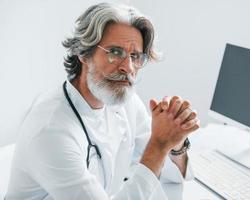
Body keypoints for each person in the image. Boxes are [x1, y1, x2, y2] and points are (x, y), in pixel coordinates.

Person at [6, 3, 200, 199]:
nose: (128, 67)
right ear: (83, 53)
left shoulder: (124, 100)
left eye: (135, 56)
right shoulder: (51, 130)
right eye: (115, 52)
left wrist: (176, 143)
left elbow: (171, 176)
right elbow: (154, 157)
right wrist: (159, 144)